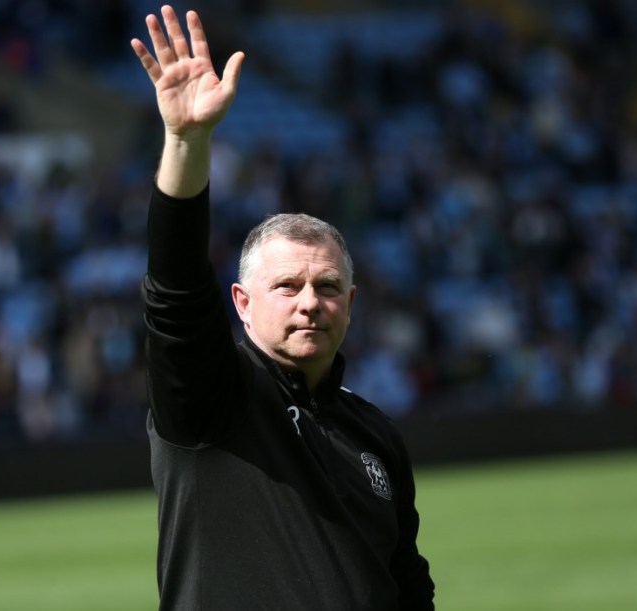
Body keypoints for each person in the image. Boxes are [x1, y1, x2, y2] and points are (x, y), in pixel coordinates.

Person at [132, 6, 435, 609]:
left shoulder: (373, 432)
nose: (309, 304)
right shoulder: (212, 395)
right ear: (241, 304)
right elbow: (174, 288)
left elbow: (409, 584)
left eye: (326, 288)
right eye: (286, 286)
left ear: (350, 303)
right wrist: (187, 141)